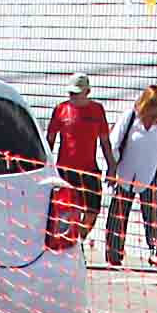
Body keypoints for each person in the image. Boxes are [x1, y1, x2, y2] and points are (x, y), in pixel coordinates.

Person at [105, 83, 157, 269]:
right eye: (151, 105)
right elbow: (114, 142)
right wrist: (112, 167)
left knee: (153, 215)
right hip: (127, 172)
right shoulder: (130, 117)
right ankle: (114, 253)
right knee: (118, 214)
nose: (153, 111)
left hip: (151, 172)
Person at [46, 74, 107, 242]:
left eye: (77, 93)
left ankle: (79, 238)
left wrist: (112, 165)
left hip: (89, 169)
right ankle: (68, 242)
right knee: (67, 210)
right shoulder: (61, 110)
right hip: (66, 170)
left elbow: (104, 140)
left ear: (88, 91)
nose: (73, 97)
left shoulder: (97, 110)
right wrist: (46, 164)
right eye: (71, 93)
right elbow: (50, 139)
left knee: (92, 210)